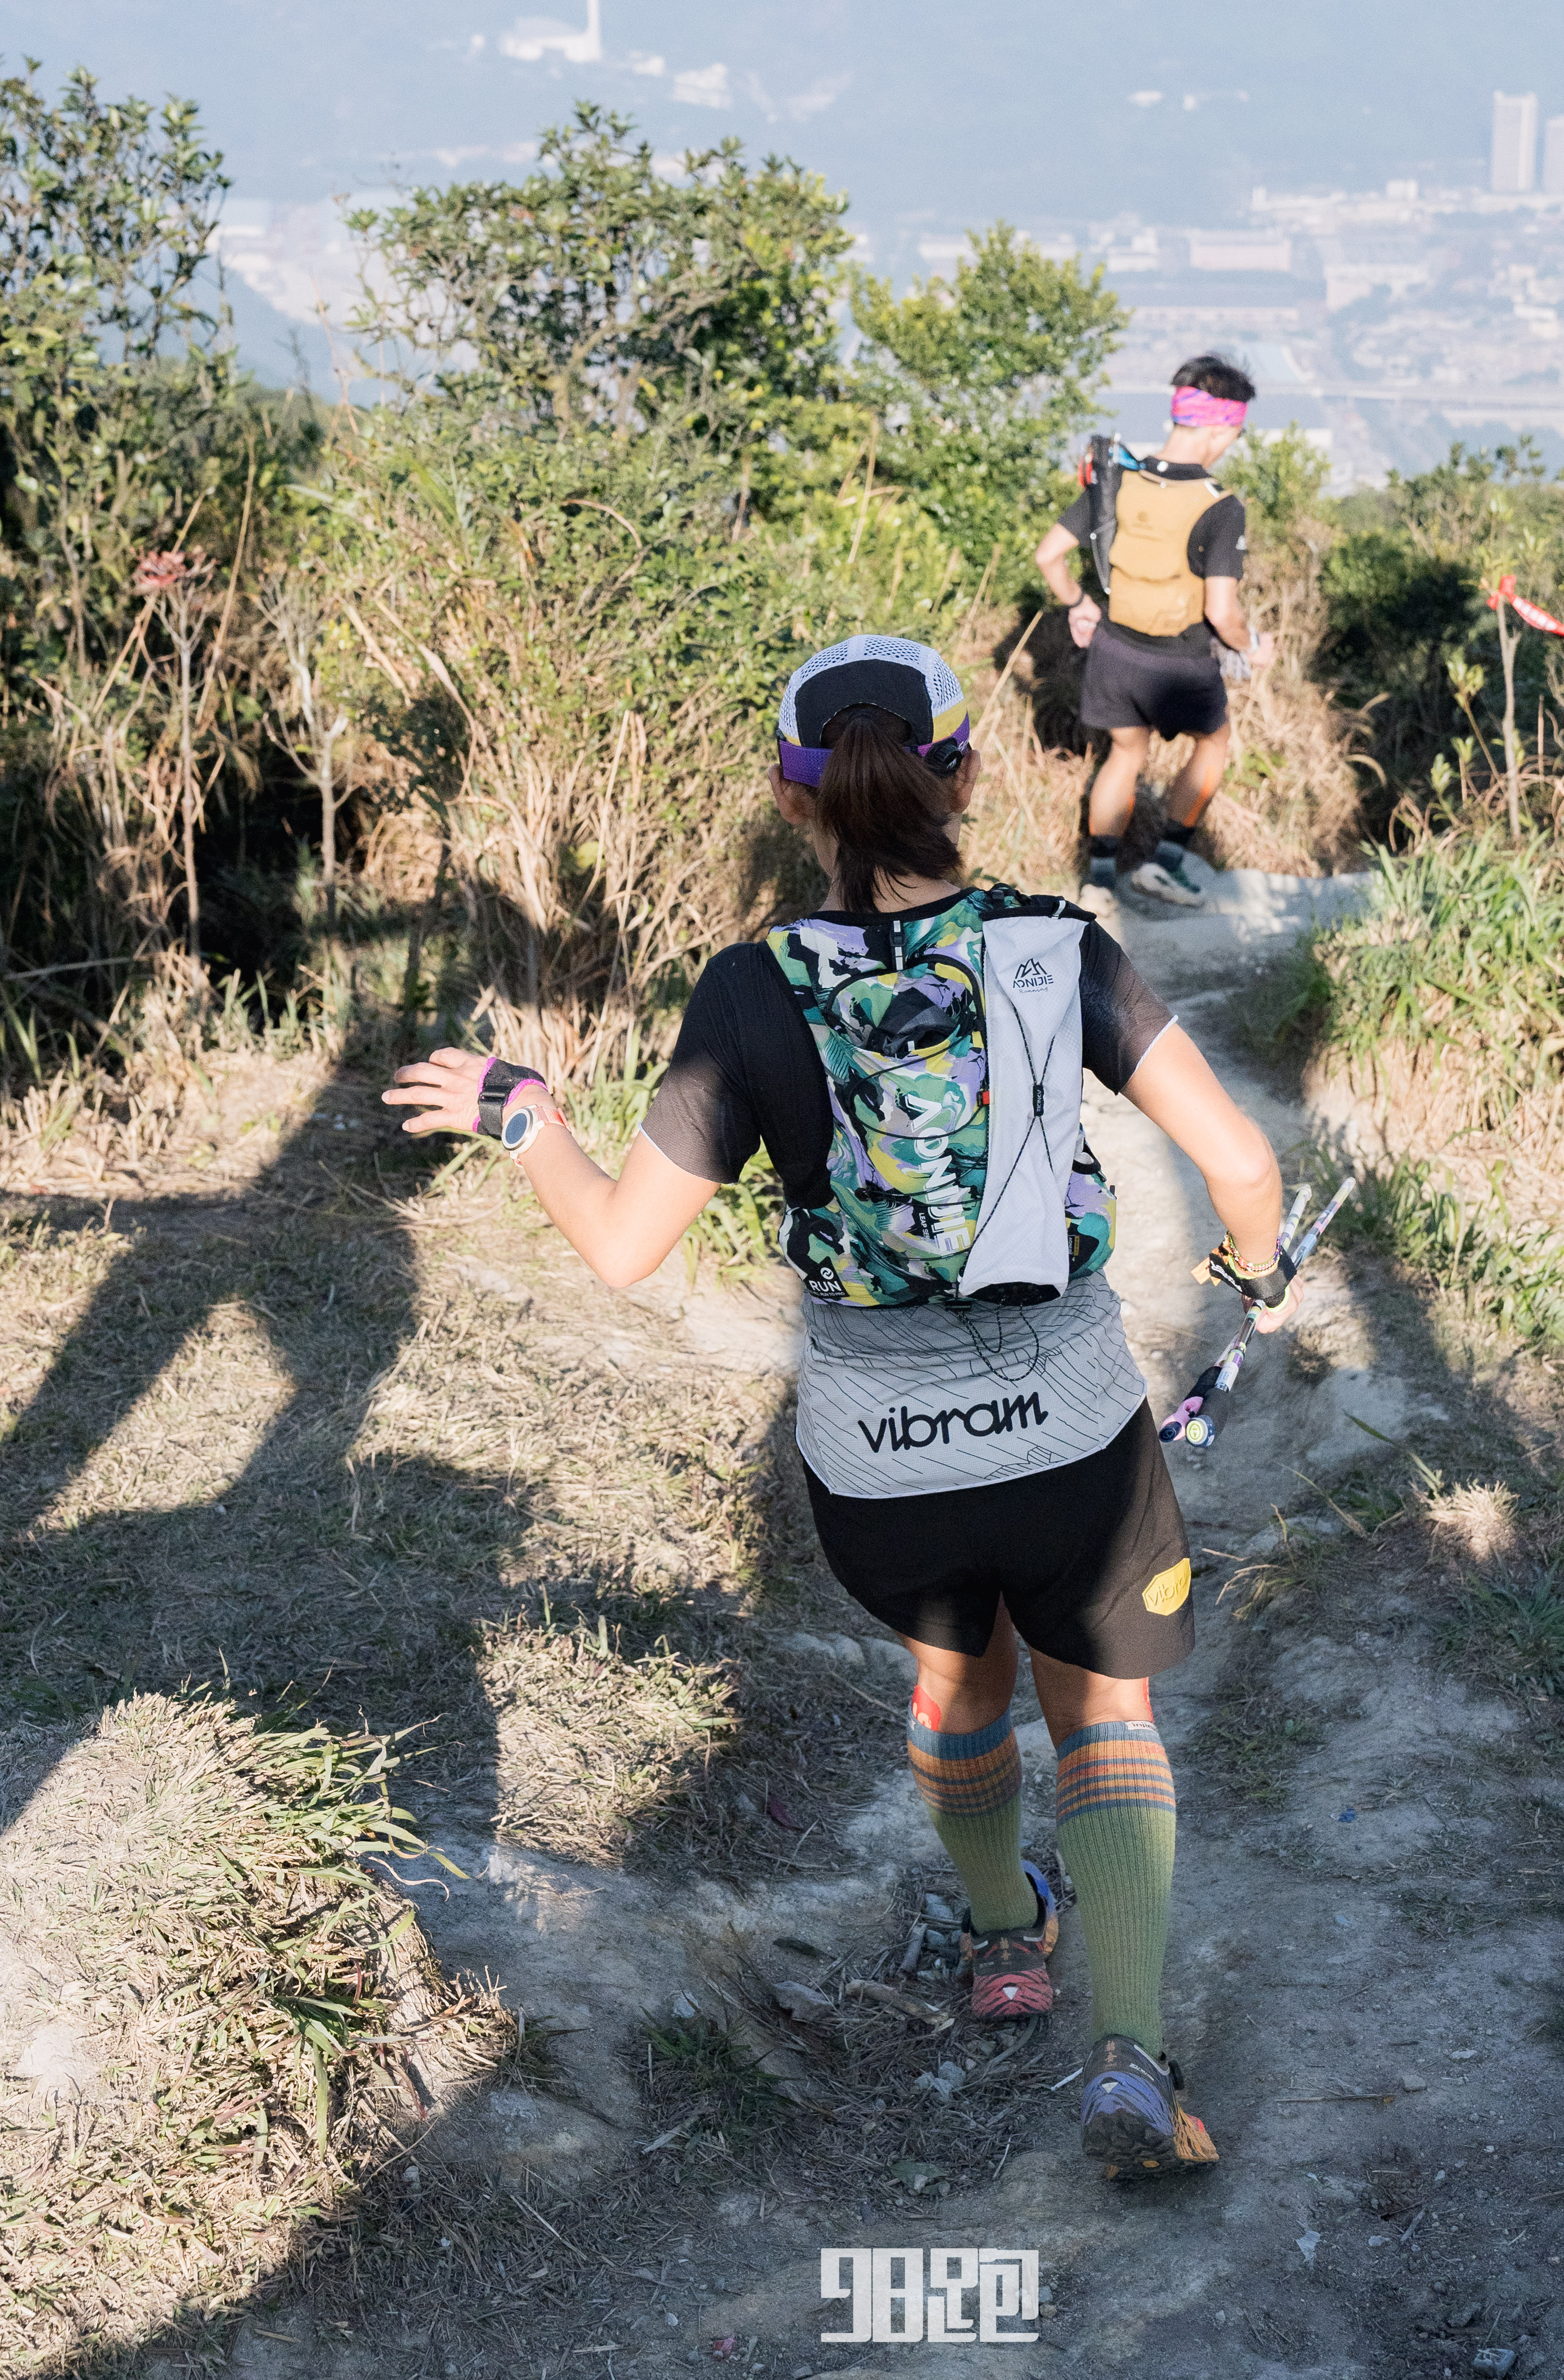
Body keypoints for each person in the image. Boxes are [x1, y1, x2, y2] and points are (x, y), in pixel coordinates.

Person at [382, 634, 1302, 2182]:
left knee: (958, 1688)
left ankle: (1007, 1935)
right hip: (1071, 1438)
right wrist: (1254, 1282)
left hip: (878, 1469)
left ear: (787, 800)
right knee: (1108, 1716)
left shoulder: (749, 992)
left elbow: (619, 1249)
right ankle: (1132, 2059)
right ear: (969, 776)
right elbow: (1243, 1166)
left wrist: (524, 1111)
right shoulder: (1055, 947)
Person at [1033, 352, 1273, 913]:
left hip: (1115, 650)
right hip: (1181, 662)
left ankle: (1097, 882)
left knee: (1124, 756)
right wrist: (1254, 646)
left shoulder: (1116, 479)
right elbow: (1223, 613)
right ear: (1224, 428)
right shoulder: (1221, 507)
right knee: (1213, 743)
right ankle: (1163, 865)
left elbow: (1049, 556)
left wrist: (1079, 603)